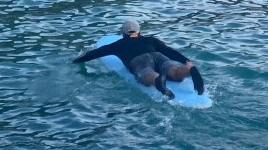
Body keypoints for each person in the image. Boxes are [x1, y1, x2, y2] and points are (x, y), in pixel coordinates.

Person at [73, 19, 204, 99]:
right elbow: (169, 51)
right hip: (157, 55)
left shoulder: (118, 44)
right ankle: (189, 71)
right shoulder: (151, 40)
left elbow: (95, 53)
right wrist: (186, 61)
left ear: (123, 34)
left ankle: (158, 79)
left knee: (147, 74)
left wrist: (76, 60)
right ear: (139, 32)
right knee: (173, 70)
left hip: (139, 60)